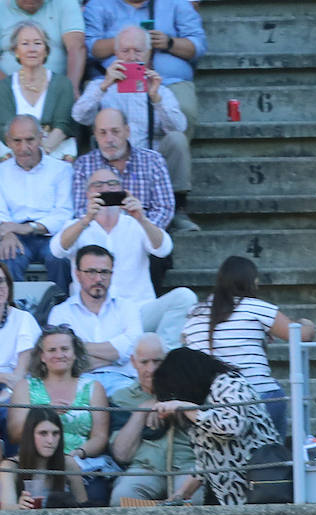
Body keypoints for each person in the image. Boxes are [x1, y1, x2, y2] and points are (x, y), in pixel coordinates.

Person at [49, 165, 194, 348]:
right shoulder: (77, 226)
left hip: (138, 310)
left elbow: (164, 248)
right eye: (98, 185)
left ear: (122, 190)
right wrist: (86, 219)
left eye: (112, 184)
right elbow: (56, 250)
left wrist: (141, 218)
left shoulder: (135, 223)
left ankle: (162, 357)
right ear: (87, 193)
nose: (106, 189)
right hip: (93, 313)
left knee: (185, 297)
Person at [72, 23, 195, 228]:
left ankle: (177, 209)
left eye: (138, 51)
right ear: (116, 53)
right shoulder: (101, 85)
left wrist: (156, 99)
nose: (131, 57)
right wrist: (103, 86)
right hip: (111, 162)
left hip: (151, 162)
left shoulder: (160, 89)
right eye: (125, 51)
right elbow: (79, 116)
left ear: (148, 54)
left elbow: (178, 128)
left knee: (177, 140)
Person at [182, 255, 315, 441]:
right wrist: (306, 323)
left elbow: (185, 342)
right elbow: (301, 335)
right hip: (256, 397)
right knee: (274, 394)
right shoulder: (254, 308)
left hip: (210, 403)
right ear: (250, 282)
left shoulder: (194, 312)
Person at [151, 346, 282, 506]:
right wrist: (179, 496)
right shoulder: (199, 401)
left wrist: (186, 407)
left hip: (258, 488)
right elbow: (204, 462)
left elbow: (231, 426)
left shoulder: (229, 384)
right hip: (229, 495)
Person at [7, 325, 110, 501]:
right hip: (36, 465)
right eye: (52, 350)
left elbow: (100, 437)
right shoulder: (25, 387)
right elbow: (15, 434)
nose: (59, 354)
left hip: (81, 463)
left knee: (96, 497)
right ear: (42, 356)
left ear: (75, 353)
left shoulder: (93, 387)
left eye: (65, 349)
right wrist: (44, 412)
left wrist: (76, 454)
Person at [108, 332, 199, 504]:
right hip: (144, 469)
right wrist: (142, 410)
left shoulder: (189, 390)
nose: (151, 369)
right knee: (121, 499)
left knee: (193, 502)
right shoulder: (121, 398)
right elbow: (121, 455)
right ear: (134, 362)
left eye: (157, 361)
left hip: (186, 467)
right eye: (144, 362)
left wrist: (169, 401)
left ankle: (163, 512)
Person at [47, 242, 142, 393]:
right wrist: (117, 356)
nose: (98, 278)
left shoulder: (128, 307)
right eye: (90, 272)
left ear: (112, 274)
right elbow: (62, 359)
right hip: (79, 383)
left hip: (123, 381)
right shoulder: (60, 312)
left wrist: (77, 347)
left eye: (104, 272)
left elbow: (132, 350)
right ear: (77, 274)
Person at [71, 107, 175, 235]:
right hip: (98, 240)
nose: (109, 139)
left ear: (127, 131)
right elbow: (80, 210)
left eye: (115, 131)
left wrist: (141, 234)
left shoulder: (153, 161)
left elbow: (164, 208)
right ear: (95, 136)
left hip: (145, 239)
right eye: (102, 133)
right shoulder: (83, 165)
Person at [0, 113, 72, 289]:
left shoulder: (61, 169)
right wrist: (6, 233)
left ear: (41, 138)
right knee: (7, 256)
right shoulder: (1, 171)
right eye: (17, 141)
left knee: (60, 257)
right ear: (8, 142)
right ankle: (13, 311)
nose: (24, 147)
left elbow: (64, 213)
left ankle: (59, 311)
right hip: (15, 236)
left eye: (30, 140)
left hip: (51, 235)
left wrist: (28, 228)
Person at [0, 19, 77, 161]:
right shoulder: (4, 87)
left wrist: (41, 153)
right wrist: (25, 154)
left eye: (37, 43)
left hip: (53, 153)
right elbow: (5, 129)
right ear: (16, 50)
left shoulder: (62, 84)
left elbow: (63, 125)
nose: (32, 49)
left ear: (46, 50)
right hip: (15, 156)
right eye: (25, 44)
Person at [0, 401, 85, 506]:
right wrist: (19, 508)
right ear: (30, 435)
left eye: (55, 433)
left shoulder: (69, 463)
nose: (50, 440)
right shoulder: (10, 467)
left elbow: (84, 508)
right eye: (43, 433)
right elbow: (7, 511)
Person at [0, 0, 85, 96]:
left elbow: (76, 46)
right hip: (6, 88)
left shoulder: (65, 3)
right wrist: (7, 90)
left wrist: (70, 88)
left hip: (56, 91)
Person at [0, 256, 40, 441]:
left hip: (15, 389)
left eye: (2, 281)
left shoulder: (23, 319)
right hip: (5, 381)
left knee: (10, 412)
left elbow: (20, 375)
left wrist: (5, 391)